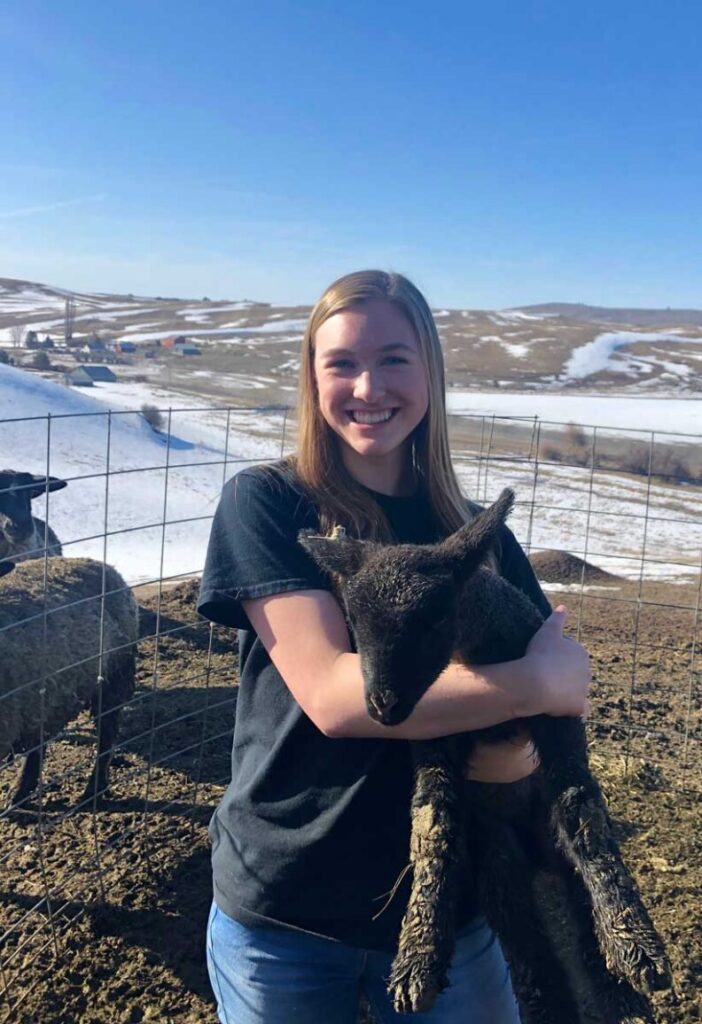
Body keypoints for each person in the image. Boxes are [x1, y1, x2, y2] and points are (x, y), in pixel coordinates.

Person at [197, 270, 591, 1024]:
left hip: (451, 912)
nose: (367, 385)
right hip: (287, 903)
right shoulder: (271, 505)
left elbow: (556, 679)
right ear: (311, 378)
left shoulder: (478, 535)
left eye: (395, 359)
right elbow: (337, 698)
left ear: (431, 372)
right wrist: (536, 688)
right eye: (341, 362)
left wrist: (523, 751)